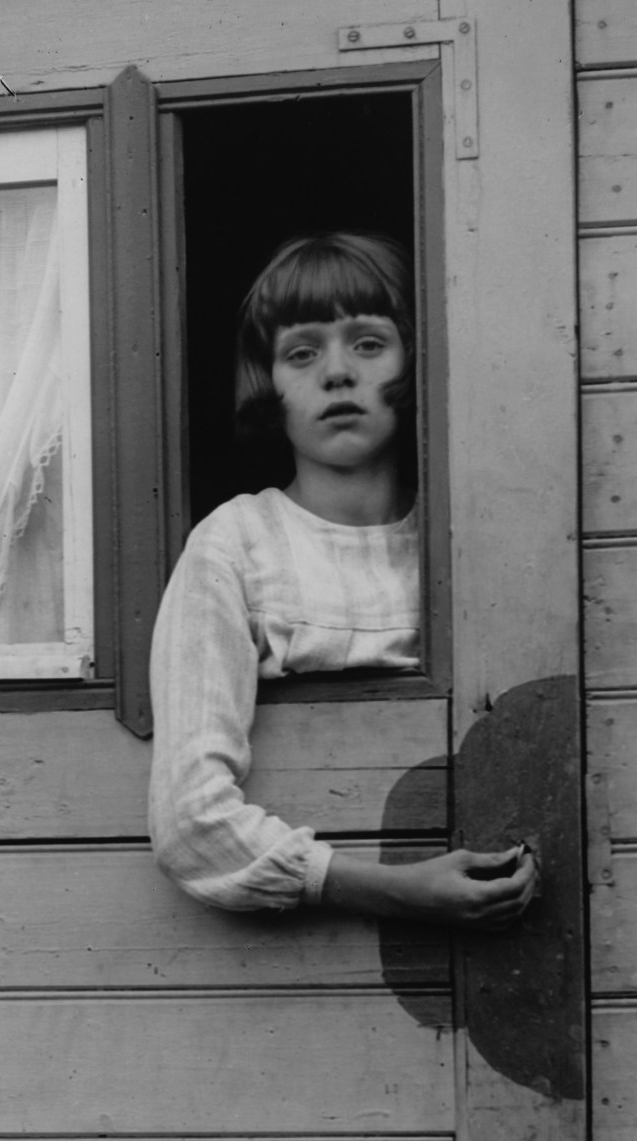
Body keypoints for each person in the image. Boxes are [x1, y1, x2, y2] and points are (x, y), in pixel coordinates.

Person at [148, 232, 537, 929]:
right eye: (302, 352)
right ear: (268, 381)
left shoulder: (472, 539)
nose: (336, 373)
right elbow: (188, 817)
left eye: (367, 342)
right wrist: (389, 888)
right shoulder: (234, 544)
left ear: (416, 360)